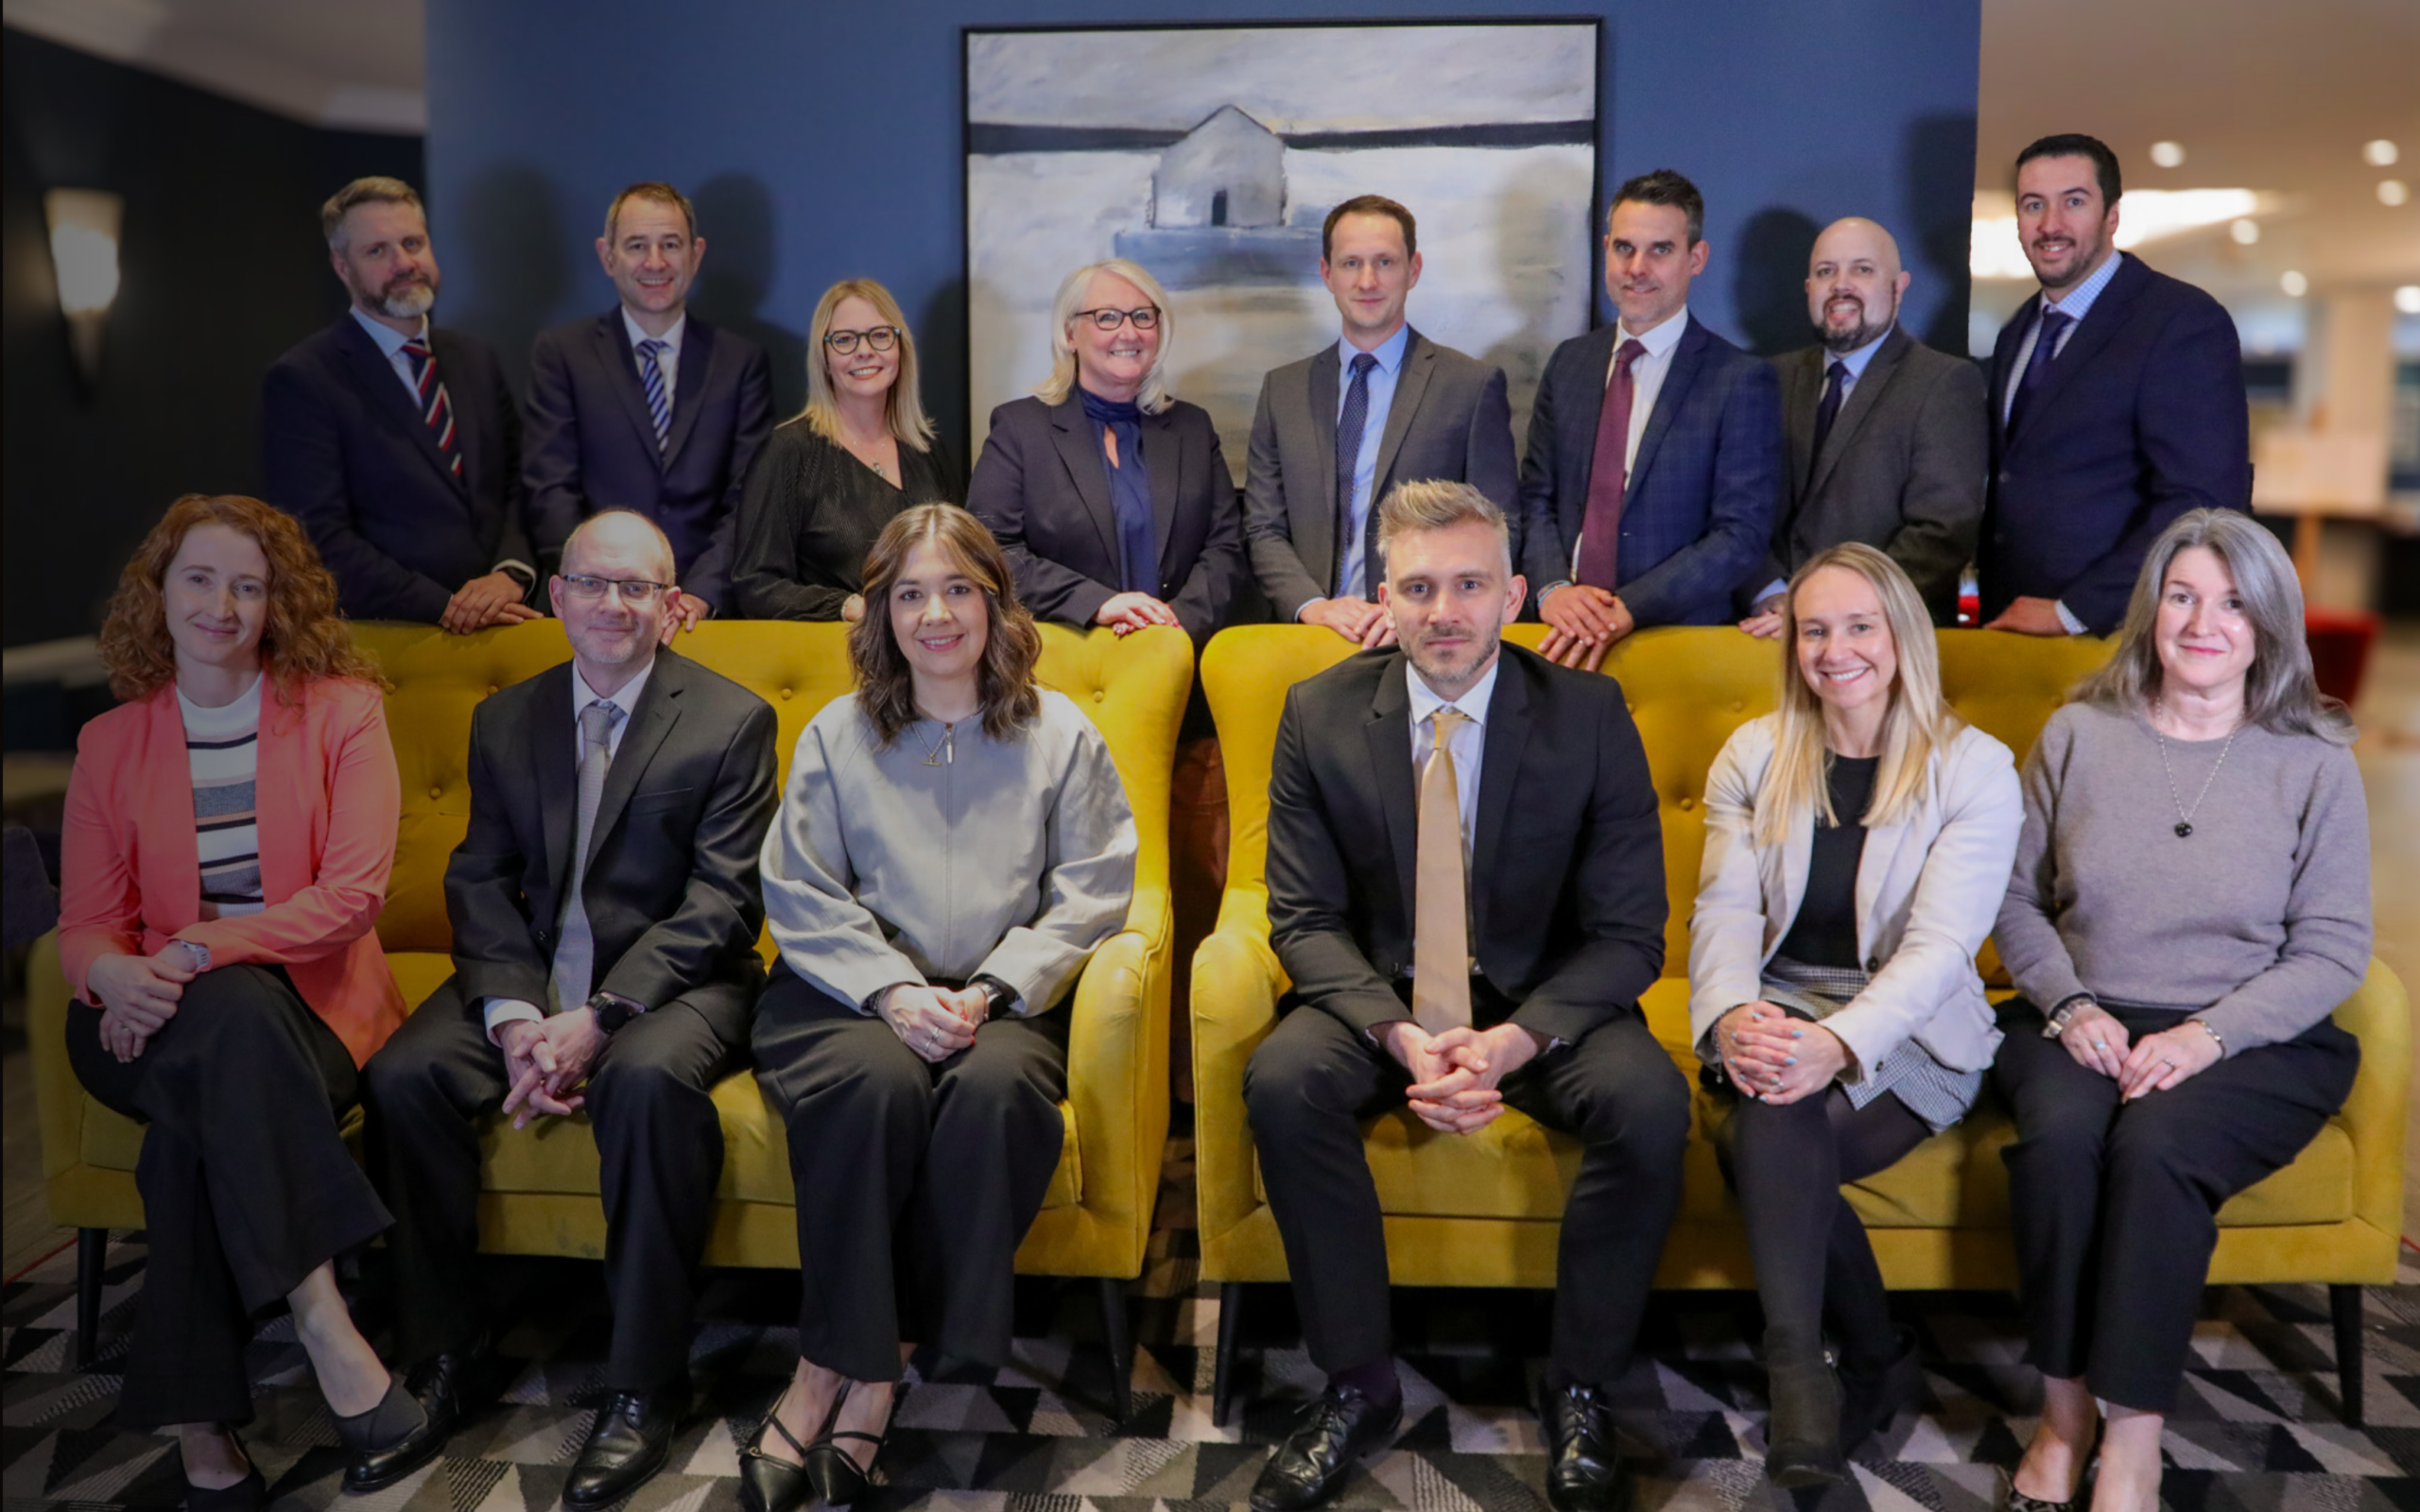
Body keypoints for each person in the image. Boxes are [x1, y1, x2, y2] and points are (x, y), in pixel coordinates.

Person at [1243, 480, 1681, 1512]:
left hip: (1542, 1000)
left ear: (1513, 595)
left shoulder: (1588, 713)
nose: (1444, 612)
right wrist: (1400, 1035)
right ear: (1383, 598)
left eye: (1470, 586)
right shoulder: (1319, 712)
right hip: (1385, 997)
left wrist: (1515, 1041)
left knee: (1651, 1104)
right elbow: (1302, 918)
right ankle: (1356, 1383)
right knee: (1282, 1079)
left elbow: (1629, 935)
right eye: (1419, 587)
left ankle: (1581, 1383)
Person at [361, 510, 779, 1508]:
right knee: (404, 1077)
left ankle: (643, 1381)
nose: (612, 605)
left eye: (638, 587)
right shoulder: (509, 718)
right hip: (536, 978)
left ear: (671, 607)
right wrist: (515, 1019)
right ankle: (444, 1352)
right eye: (592, 583)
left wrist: (600, 1016)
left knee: (644, 1081)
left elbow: (724, 901)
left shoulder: (731, 720)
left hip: (679, 983)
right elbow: (480, 878)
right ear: (556, 596)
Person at [740, 505, 1136, 1512]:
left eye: (959, 588)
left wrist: (994, 988)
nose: (936, 614)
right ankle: (831, 1369)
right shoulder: (837, 733)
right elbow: (799, 888)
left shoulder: (1061, 731)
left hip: (1000, 1001)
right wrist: (892, 989)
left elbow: (1095, 885)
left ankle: (889, 1363)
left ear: (995, 602)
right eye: (910, 594)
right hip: (849, 995)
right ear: (880, 612)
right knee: (873, 1089)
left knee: (995, 1095)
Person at [1991, 508, 2368, 1512]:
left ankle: (2133, 1444)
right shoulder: (2077, 732)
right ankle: (2063, 1417)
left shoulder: (2315, 758)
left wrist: (2207, 1035)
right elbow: (2013, 900)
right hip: (2078, 1015)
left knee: (2156, 1147)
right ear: (2150, 608)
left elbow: (2333, 947)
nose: (2205, 623)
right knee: (2060, 1144)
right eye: (2183, 596)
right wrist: (2070, 1005)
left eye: (2234, 603)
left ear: (2269, 623)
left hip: (2248, 1032)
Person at [60, 493, 427, 1503]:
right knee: (218, 1028)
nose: (220, 606)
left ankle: (203, 1428)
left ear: (278, 605)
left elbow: (349, 899)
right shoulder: (109, 743)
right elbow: (86, 923)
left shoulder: (343, 710)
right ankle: (327, 1321)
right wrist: (113, 974)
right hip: (141, 1013)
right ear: (158, 591)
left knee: (197, 1107)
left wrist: (188, 951)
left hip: (305, 1011)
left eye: (248, 586)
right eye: (199, 579)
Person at [1689, 543, 2022, 1485]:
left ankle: (1805, 1367)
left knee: (1760, 1132)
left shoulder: (1975, 769)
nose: (1835, 651)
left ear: (1903, 635)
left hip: (1913, 1025)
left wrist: (1836, 1044)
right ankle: (1861, 1358)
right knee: (1772, 1114)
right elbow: (1723, 911)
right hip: (1779, 995)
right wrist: (1732, 1017)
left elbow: (1939, 949)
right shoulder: (1755, 753)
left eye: (1860, 627)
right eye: (1814, 631)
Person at [1979, 134, 2250, 638]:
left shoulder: (2181, 322)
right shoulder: (2019, 330)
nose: (2050, 224)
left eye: (2073, 202)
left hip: (2115, 639)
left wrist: (2072, 612)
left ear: (2112, 215)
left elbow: (2203, 502)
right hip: (2011, 631)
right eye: (2033, 205)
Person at [1519, 169, 1783, 669]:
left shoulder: (1739, 380)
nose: (1636, 268)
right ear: (1606, 250)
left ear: (1695, 259)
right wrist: (1552, 589)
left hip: (1674, 647)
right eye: (1624, 248)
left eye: (1660, 250)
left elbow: (1739, 534)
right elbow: (1535, 499)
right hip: (1558, 638)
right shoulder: (1570, 363)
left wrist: (1629, 608)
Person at [264, 177, 539, 629]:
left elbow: (517, 485)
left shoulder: (477, 359)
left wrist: (511, 573)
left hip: (505, 621)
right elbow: (317, 537)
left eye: (413, 243)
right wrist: (446, 606)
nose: (405, 263)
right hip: (393, 635)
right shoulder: (305, 379)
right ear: (342, 267)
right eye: (377, 251)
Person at [1244, 196, 1517, 646]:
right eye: (1351, 263)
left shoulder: (1470, 386)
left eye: (1384, 262)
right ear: (1327, 273)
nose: (1367, 280)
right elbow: (1263, 527)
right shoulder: (1282, 391)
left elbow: (1497, 529)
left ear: (1413, 270)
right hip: (1309, 636)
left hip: (1419, 640)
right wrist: (1314, 606)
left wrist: (1411, 609)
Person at [525, 181, 773, 632]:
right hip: (597, 616)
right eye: (637, 245)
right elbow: (551, 491)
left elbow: (749, 502)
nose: (655, 262)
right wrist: (601, 590)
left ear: (695, 254)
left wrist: (698, 595)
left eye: (670, 245)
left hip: (701, 620)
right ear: (608, 256)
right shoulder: (563, 355)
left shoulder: (741, 362)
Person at [968, 258, 1245, 643]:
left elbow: (1226, 548)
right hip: (1067, 658)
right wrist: (1096, 603)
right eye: (1107, 317)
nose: (1128, 333)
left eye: (1142, 316)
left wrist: (1172, 629)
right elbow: (989, 552)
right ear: (1069, 333)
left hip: (1179, 651)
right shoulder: (1019, 429)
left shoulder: (1192, 427)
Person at [1740, 219, 1987, 634]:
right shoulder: (1770, 379)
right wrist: (1771, 594)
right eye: (1826, 272)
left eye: (1862, 269)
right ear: (1809, 289)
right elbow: (1737, 510)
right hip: (1765, 632)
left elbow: (1942, 532)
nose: (1841, 285)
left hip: (1882, 638)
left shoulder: (1943, 382)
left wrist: (1828, 614)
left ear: (1898, 287)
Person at [730, 280, 964, 621]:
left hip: (936, 637)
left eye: (880, 335)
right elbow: (756, 585)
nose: (864, 350)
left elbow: (965, 558)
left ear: (900, 348)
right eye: (844, 340)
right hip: (844, 646)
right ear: (824, 358)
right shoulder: (788, 452)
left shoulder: (928, 448)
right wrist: (850, 607)